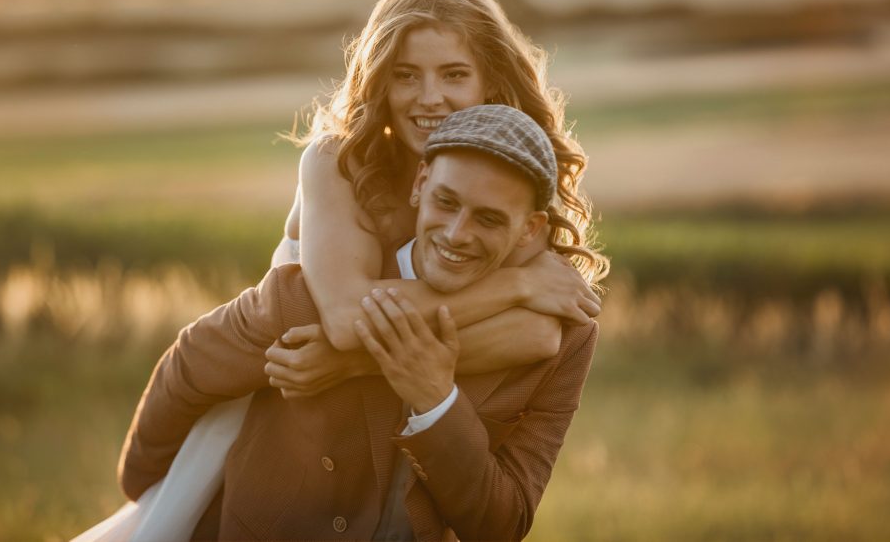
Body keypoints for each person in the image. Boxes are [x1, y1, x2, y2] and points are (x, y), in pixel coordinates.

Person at [71, 0, 608, 541]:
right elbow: (345, 320)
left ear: (492, 81)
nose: (429, 98)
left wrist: (352, 362)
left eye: (453, 74)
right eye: (405, 75)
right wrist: (515, 290)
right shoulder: (340, 163)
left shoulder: (511, 220)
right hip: (269, 401)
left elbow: (539, 341)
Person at [118, 105, 600, 540]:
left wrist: (436, 399)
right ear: (420, 185)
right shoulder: (322, 292)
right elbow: (190, 364)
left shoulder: (567, 337)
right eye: (446, 202)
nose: (457, 234)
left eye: (489, 219)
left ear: (531, 228)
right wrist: (151, 488)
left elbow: (504, 523)